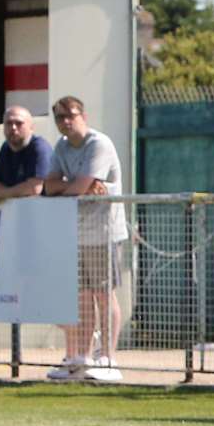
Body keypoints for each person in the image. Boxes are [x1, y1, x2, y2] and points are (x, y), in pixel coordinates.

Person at [42, 96, 128, 382]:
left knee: (104, 294)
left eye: (71, 115)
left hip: (104, 232)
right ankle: (82, 358)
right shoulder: (61, 147)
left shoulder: (98, 144)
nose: (66, 121)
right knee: (81, 297)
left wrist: (71, 186)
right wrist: (74, 186)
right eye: (60, 118)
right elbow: (50, 185)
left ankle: (108, 359)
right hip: (76, 232)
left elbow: (76, 186)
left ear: (84, 116)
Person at [0, 106, 53, 203]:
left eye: (19, 123)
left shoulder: (39, 147)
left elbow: (34, 188)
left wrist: (1, 194)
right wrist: (9, 193)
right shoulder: (6, 148)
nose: (13, 128)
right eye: (9, 123)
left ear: (31, 128)